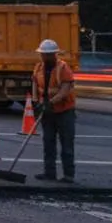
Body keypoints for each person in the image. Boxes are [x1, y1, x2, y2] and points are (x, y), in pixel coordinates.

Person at [32, 39, 77, 183]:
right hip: (47, 112)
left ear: (54, 54)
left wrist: (50, 102)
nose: (45, 57)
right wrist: (36, 103)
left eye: (48, 54)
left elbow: (65, 90)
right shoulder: (38, 68)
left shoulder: (63, 68)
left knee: (66, 144)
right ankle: (49, 173)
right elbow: (35, 86)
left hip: (64, 111)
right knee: (48, 143)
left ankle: (68, 175)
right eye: (43, 54)